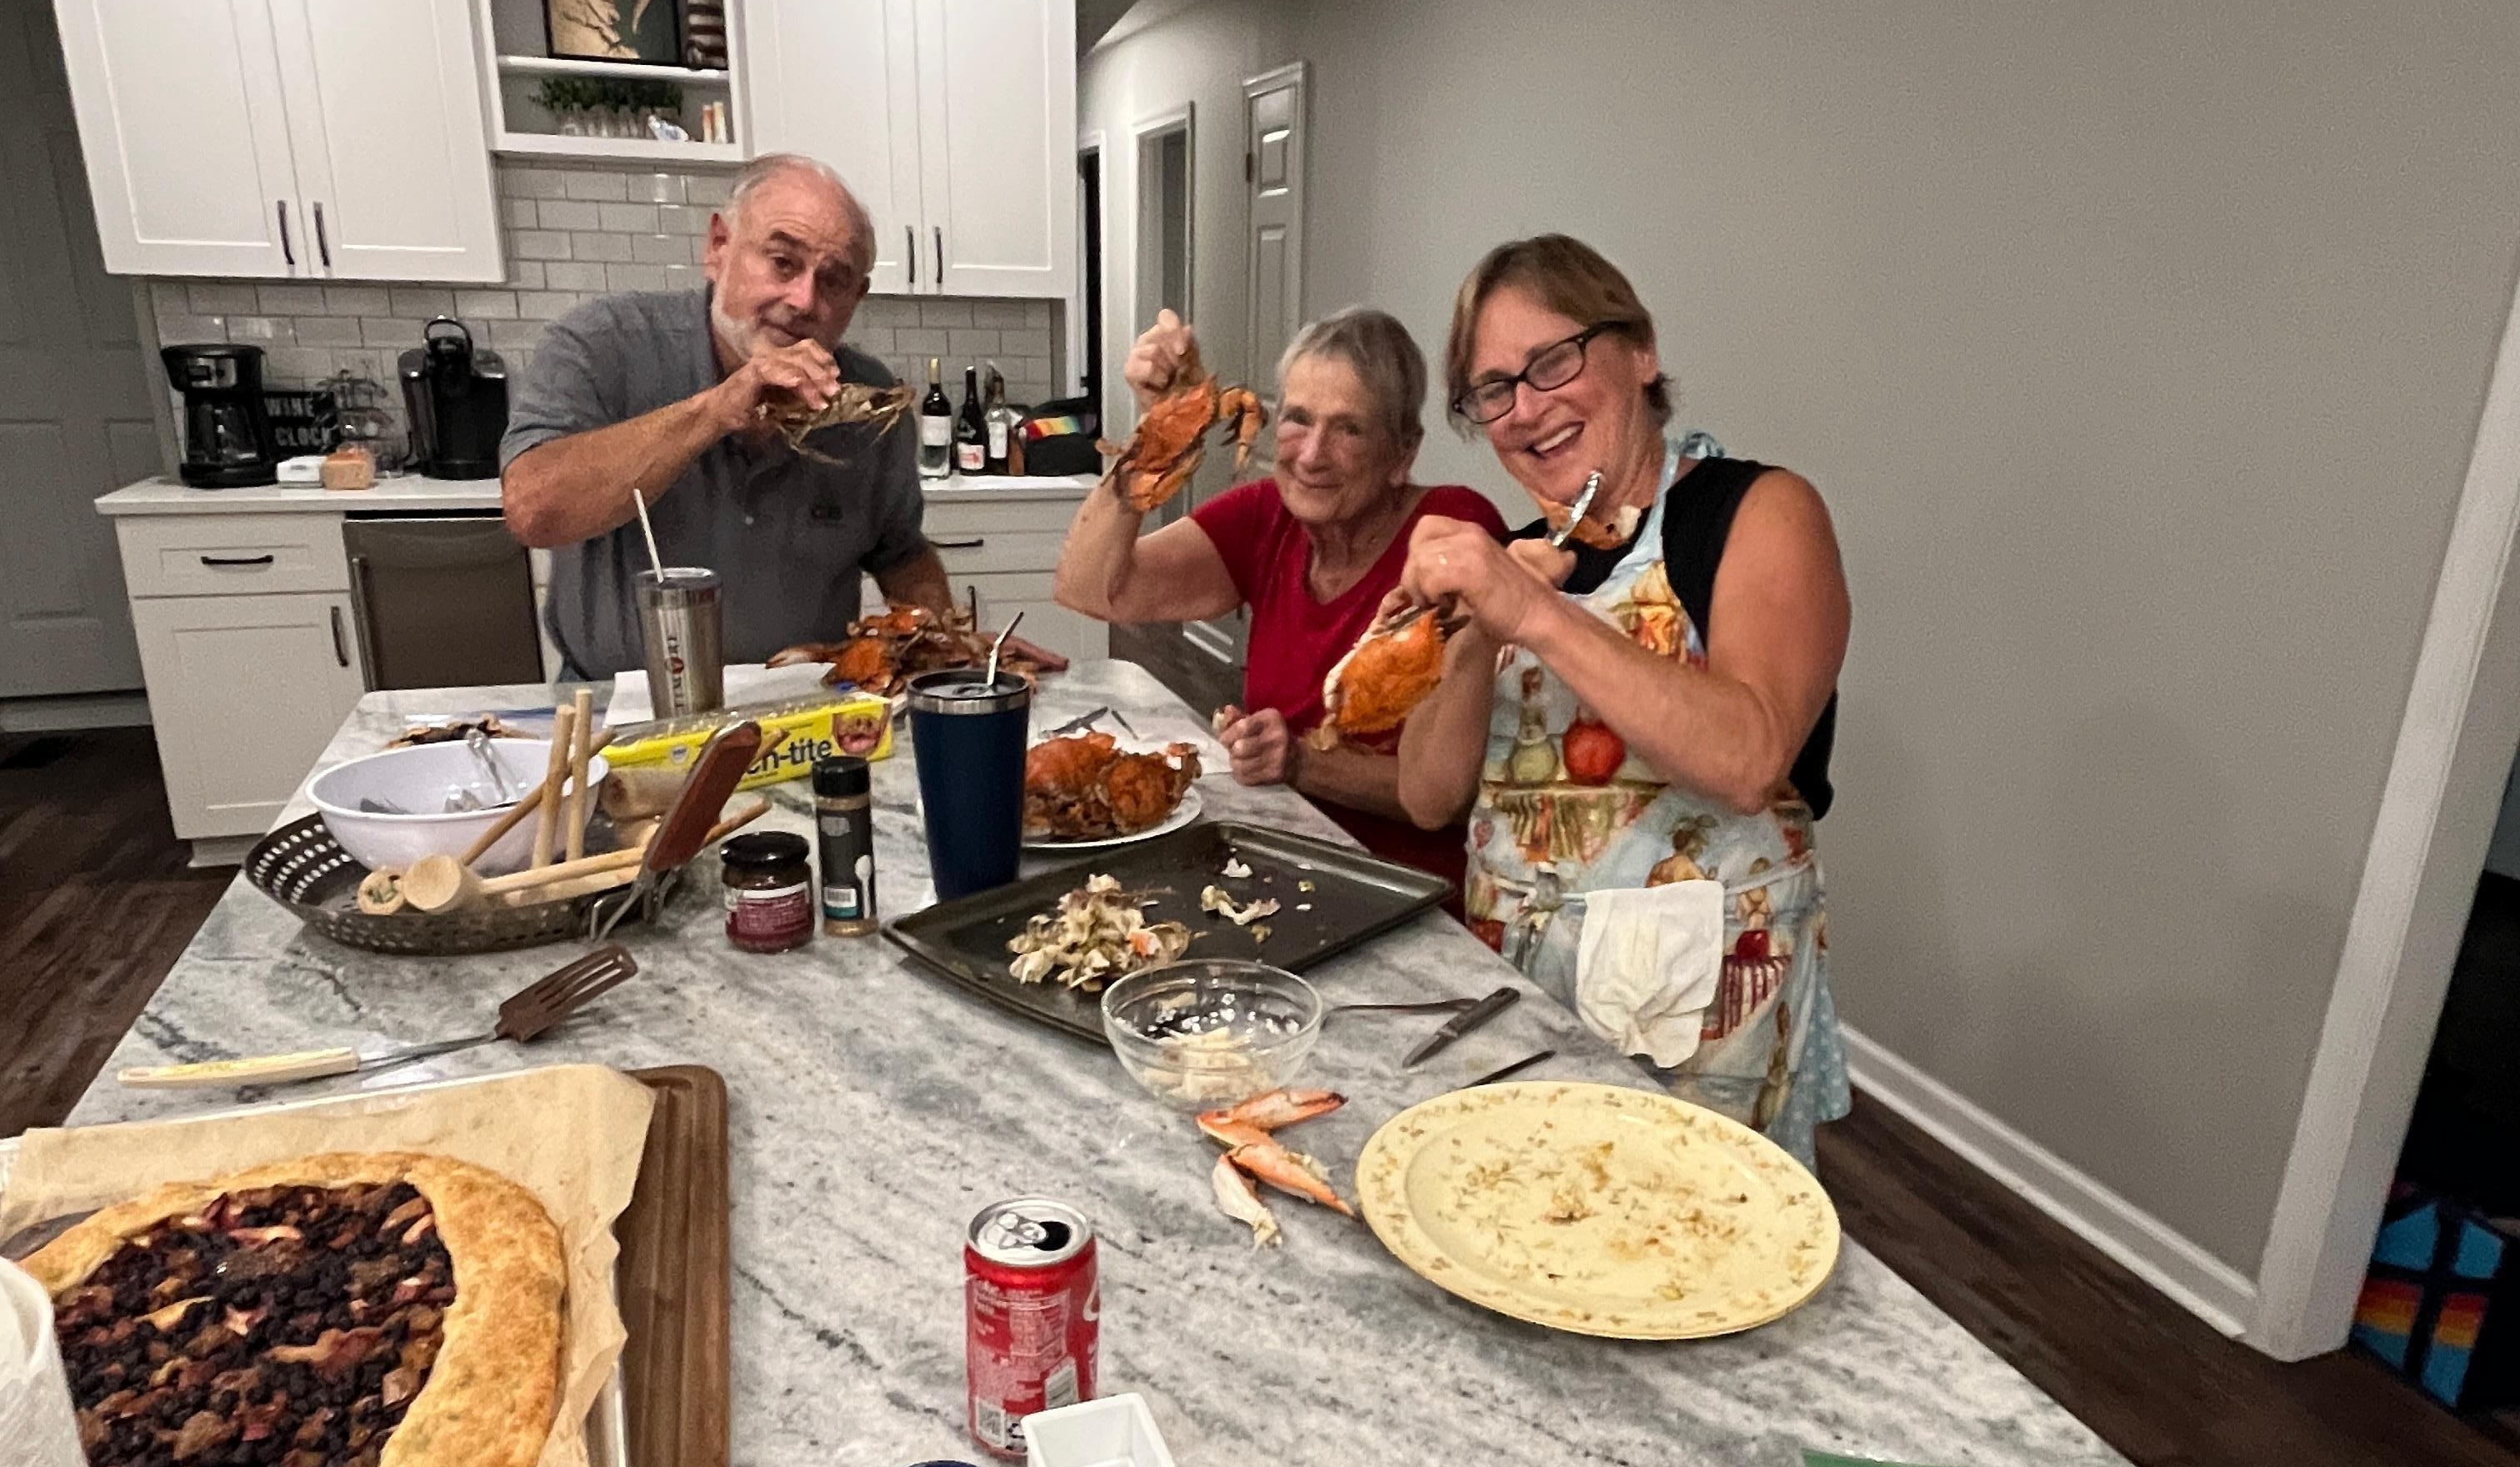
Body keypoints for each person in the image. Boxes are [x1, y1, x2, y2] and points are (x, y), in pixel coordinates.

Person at [1391, 235, 1852, 1162]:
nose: (1527, 409)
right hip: (1516, 1010)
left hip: (1701, 1034)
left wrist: (1535, 612)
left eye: (1553, 361)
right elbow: (1427, 794)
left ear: (1640, 351)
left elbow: (1748, 757)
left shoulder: (1756, 513)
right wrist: (1481, 631)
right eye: (1493, 390)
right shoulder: (1514, 557)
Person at [1053, 306, 1507, 889]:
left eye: (1349, 429)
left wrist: (1299, 762)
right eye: (1298, 419)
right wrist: (1157, 435)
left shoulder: (1450, 533)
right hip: (1274, 862)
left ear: (1403, 453)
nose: (1312, 454)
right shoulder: (1269, 516)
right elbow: (1090, 588)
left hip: (1405, 893)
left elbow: (1442, 795)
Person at [500, 152, 959, 681]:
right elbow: (534, 509)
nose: (804, 300)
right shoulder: (603, 345)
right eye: (782, 262)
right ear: (719, 246)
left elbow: (900, 555)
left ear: (857, 298)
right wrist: (717, 408)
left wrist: (953, 649)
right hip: (619, 713)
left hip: (805, 716)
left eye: (833, 280)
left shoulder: (869, 404)